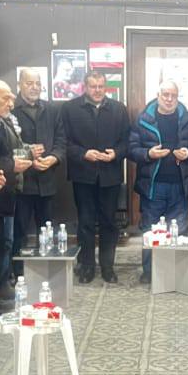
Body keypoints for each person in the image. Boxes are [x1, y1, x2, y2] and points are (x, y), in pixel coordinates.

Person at [130, 80, 188, 284]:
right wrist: (148, 153)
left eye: (173, 95)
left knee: (178, 230)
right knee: (150, 229)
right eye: (165, 95)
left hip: (180, 185)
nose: (169, 99)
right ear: (158, 95)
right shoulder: (144, 119)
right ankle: (149, 271)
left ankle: (175, 272)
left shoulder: (187, 118)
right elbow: (131, 149)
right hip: (153, 186)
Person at [63, 70, 130, 283]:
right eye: (93, 86)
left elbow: (127, 141)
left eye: (101, 86)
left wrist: (116, 153)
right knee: (86, 223)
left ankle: (108, 267)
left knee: (109, 222)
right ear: (85, 87)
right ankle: (87, 266)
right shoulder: (70, 109)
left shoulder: (118, 109)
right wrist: (83, 154)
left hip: (111, 175)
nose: (98, 90)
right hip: (83, 175)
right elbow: (64, 142)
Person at [0, 78, 33, 312]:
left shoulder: (0, 120)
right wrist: (12, 165)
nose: (11, 103)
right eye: (6, 98)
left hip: (6, 192)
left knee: (4, 244)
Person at [12, 67, 66, 262]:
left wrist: (54, 158)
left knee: (47, 229)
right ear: (19, 84)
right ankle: (18, 272)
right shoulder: (10, 108)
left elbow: (61, 140)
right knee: (18, 231)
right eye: (29, 83)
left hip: (47, 179)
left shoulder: (51, 109)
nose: (34, 87)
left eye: (37, 83)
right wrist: (28, 158)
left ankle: (47, 268)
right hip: (21, 182)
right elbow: (4, 146)